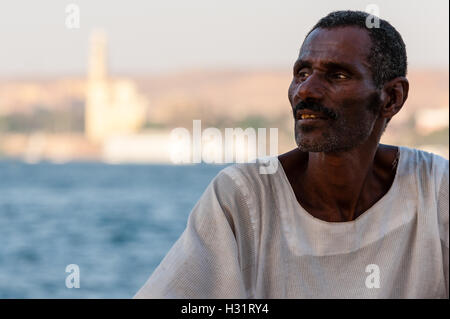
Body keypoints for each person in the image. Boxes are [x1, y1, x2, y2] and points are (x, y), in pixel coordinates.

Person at [134, 10, 448, 298]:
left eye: (337, 76)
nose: (305, 91)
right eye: (302, 73)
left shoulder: (435, 191)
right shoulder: (244, 197)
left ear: (392, 98)